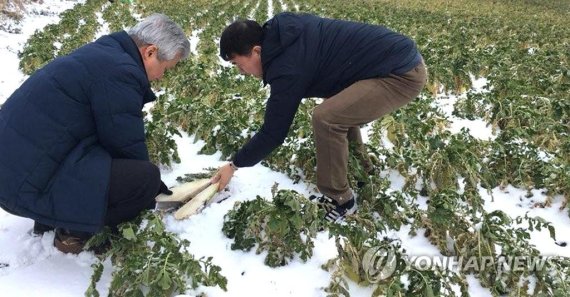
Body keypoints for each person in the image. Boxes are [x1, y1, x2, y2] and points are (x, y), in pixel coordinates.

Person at [0, 13, 189, 253]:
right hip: (21, 185)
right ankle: (75, 232)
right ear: (150, 52)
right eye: (164, 67)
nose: (161, 75)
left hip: (13, 172)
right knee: (144, 179)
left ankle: (49, 218)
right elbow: (125, 144)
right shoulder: (121, 71)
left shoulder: (106, 52)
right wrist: (148, 190)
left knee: (97, 155)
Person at [212, 12, 427, 222]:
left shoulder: (287, 66)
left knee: (326, 117)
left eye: (238, 64)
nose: (241, 71)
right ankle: (362, 169)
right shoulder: (283, 31)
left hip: (400, 74)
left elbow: (273, 133)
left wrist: (234, 165)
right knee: (337, 108)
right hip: (390, 61)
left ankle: (341, 199)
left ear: (257, 51)